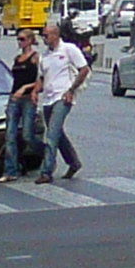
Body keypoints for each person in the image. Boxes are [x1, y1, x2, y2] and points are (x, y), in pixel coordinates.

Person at [32, 20, 89, 183]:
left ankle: (46, 171)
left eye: (46, 35)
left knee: (51, 135)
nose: (44, 38)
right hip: (48, 99)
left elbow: (83, 69)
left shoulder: (69, 49)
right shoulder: (45, 56)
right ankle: (74, 162)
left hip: (63, 97)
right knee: (58, 133)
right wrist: (35, 91)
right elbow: (42, 78)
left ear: (56, 35)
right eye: (43, 35)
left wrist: (71, 90)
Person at [3, 29, 46, 180]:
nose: (19, 42)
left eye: (22, 39)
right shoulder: (17, 59)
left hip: (28, 99)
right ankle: (10, 171)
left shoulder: (36, 58)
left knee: (28, 135)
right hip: (14, 99)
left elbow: (42, 79)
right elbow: (15, 79)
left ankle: (46, 153)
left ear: (29, 40)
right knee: (10, 136)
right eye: (18, 39)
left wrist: (26, 88)